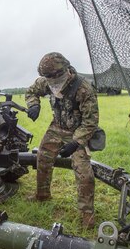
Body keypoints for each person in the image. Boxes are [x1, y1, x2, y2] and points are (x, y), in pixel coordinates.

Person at [25, 52, 99, 229]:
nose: (50, 82)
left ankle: (87, 214)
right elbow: (31, 91)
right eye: (46, 78)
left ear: (63, 72)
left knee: (84, 173)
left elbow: (91, 122)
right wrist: (34, 104)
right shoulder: (48, 81)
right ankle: (42, 195)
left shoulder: (84, 89)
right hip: (56, 127)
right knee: (42, 158)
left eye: (52, 77)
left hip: (78, 132)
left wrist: (75, 143)